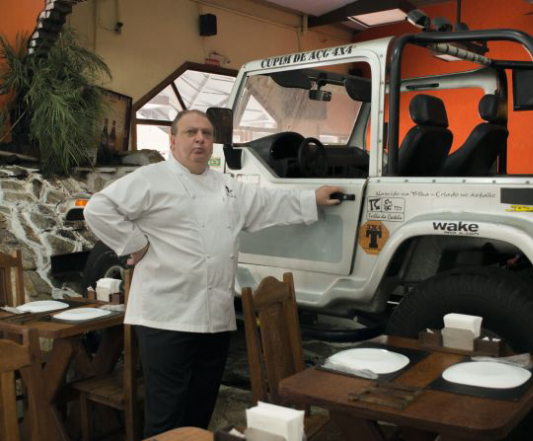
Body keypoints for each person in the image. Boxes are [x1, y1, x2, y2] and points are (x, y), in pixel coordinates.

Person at [83, 109, 342, 437]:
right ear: (173, 141)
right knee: (166, 416)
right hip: (167, 319)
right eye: (191, 132)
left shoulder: (226, 186)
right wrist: (136, 243)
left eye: (206, 133)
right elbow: (98, 209)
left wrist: (313, 199)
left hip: (216, 319)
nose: (200, 139)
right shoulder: (152, 179)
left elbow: (268, 202)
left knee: (200, 411)